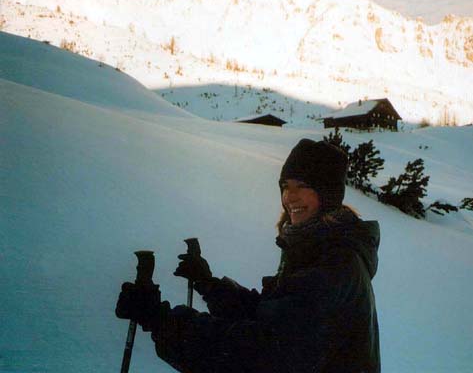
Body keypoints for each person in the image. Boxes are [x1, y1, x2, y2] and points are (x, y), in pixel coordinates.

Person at [116, 138, 381, 373]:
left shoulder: (334, 265)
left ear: (327, 193)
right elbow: (275, 316)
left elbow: (260, 353)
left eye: (302, 186)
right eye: (285, 185)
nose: (290, 196)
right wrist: (210, 286)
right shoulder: (321, 247)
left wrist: (161, 320)